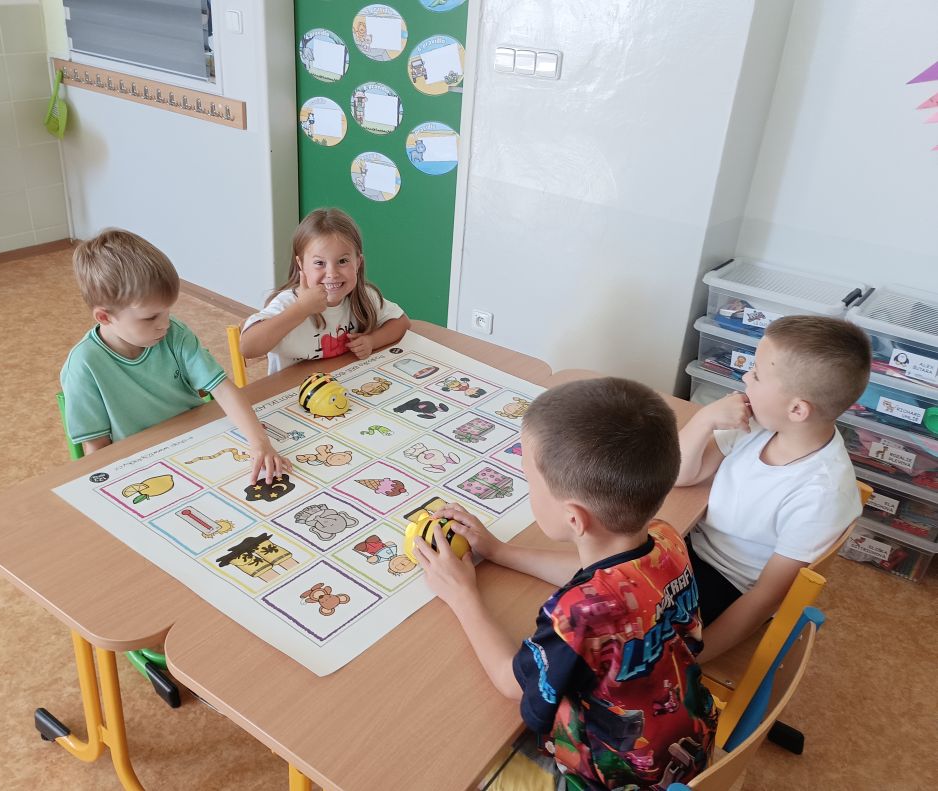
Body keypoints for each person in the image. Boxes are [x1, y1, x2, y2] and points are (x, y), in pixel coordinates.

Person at [416, 379, 716, 790]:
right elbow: (604, 580)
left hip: (617, 778)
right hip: (690, 738)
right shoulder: (666, 538)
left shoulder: (576, 614)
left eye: (530, 481)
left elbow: (511, 682)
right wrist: (500, 551)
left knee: (462, 768)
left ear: (574, 519)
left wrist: (461, 594)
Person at [675, 315, 870, 663]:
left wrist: (692, 660)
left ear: (797, 409)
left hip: (728, 584)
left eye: (757, 373)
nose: (745, 378)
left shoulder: (821, 495)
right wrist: (705, 420)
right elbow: (680, 475)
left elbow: (764, 599)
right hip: (687, 546)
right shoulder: (760, 423)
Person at [60, 229, 289, 482]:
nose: (165, 324)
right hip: (142, 465)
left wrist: (259, 442)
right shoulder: (83, 365)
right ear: (105, 317)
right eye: (150, 317)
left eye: (167, 311)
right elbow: (97, 451)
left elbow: (223, 389)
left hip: (196, 442)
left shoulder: (174, 333)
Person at [241, 208, 410, 374]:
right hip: (294, 390)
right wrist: (301, 309)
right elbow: (248, 347)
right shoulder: (288, 303)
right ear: (301, 264)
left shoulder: (363, 296)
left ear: (358, 262)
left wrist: (372, 341)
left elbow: (401, 322)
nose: (332, 274)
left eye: (342, 261)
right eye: (319, 263)